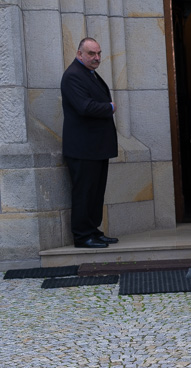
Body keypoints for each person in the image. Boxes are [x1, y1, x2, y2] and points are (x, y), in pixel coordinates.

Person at [60, 37, 119, 249]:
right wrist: (110, 108)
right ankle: (82, 236)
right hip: (83, 148)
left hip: (96, 147)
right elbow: (84, 107)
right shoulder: (73, 76)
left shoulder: (89, 74)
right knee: (84, 193)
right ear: (79, 54)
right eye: (92, 54)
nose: (97, 58)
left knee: (95, 193)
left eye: (99, 53)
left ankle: (93, 231)